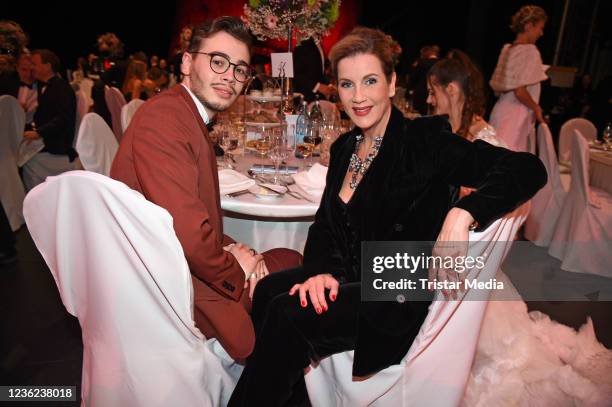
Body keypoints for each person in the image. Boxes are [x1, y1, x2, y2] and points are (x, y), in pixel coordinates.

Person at [228, 27, 547, 406]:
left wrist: (464, 213)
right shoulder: (347, 147)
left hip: (393, 293)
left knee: (288, 313)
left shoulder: (423, 141)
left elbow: (527, 168)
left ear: (392, 83)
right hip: (348, 276)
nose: (358, 97)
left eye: (370, 81)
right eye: (347, 84)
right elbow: (326, 226)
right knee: (268, 291)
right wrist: (320, 272)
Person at [110, 16, 302, 361]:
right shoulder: (166, 119)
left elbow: (184, 220)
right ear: (187, 62)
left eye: (240, 69)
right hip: (168, 287)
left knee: (280, 262)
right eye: (218, 61)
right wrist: (236, 270)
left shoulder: (180, 112)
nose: (230, 75)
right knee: (294, 265)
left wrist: (241, 253)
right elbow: (188, 235)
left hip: (174, 263)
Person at [489, 5, 548, 152]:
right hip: (516, 114)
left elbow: (501, 87)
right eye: (539, 28)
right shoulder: (530, 51)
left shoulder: (507, 49)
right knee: (508, 160)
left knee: (495, 155)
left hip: (501, 109)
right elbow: (520, 92)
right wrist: (536, 108)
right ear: (529, 25)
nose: (541, 33)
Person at [22, 49, 77, 191]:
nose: (31, 68)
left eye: (34, 64)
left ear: (47, 66)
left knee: (26, 160)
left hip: (58, 144)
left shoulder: (62, 88)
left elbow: (63, 119)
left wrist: (39, 132)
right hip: (48, 138)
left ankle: (37, 199)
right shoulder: (45, 86)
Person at [408, 44, 440, 115]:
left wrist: (409, 90)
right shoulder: (441, 64)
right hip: (436, 95)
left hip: (420, 95)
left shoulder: (421, 63)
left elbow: (413, 78)